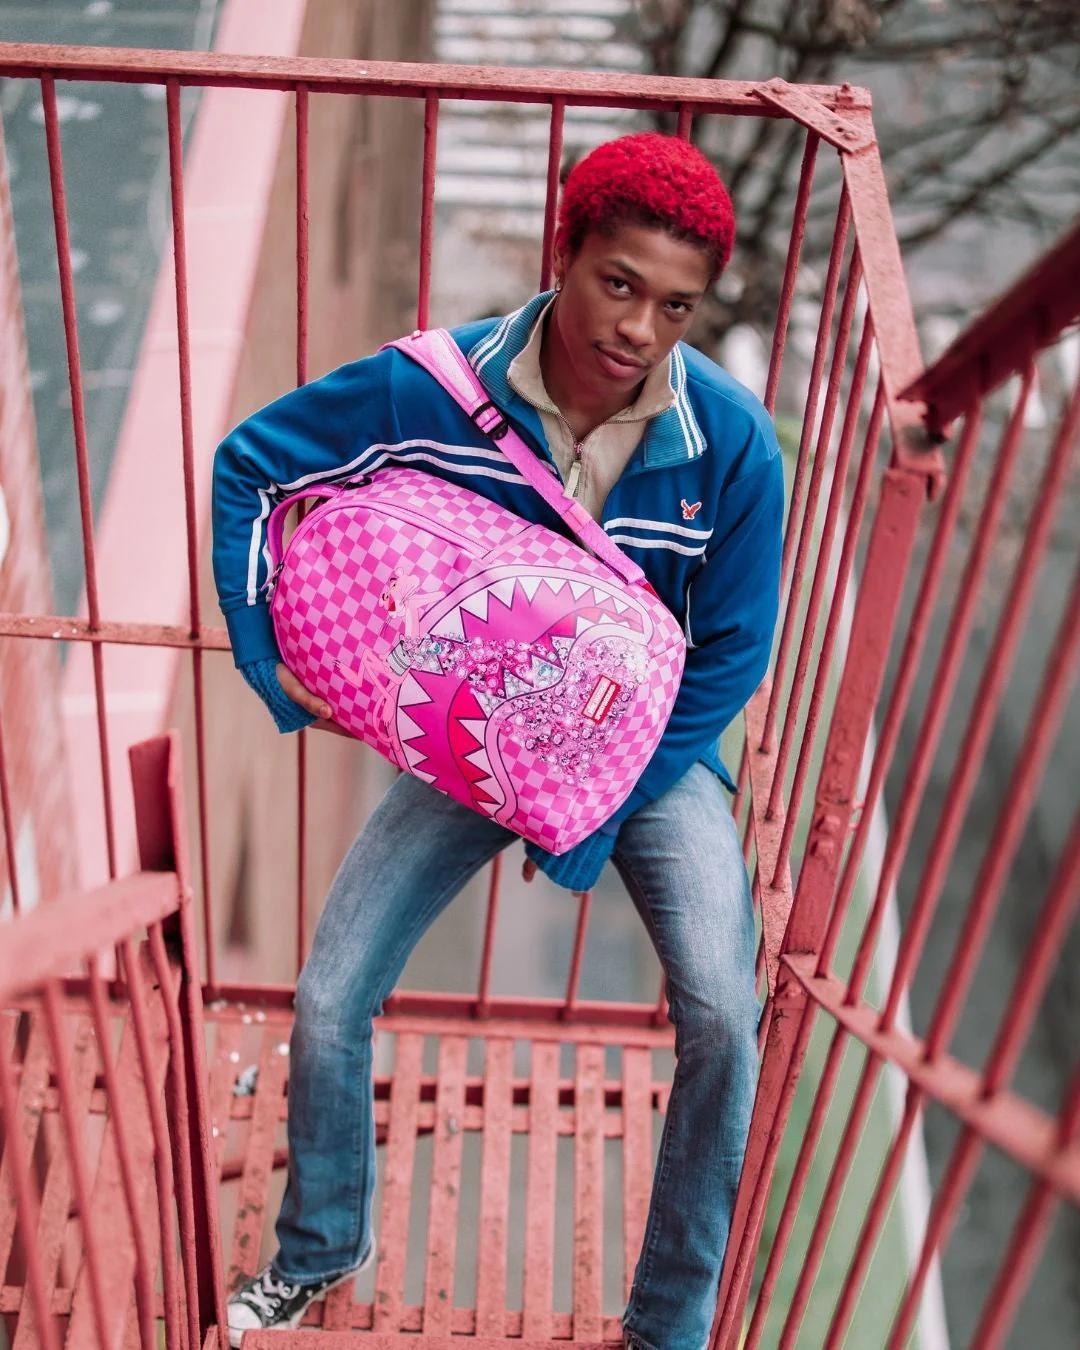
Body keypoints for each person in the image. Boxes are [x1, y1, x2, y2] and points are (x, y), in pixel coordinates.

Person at [212, 131, 784, 1350]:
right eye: (618, 283)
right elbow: (250, 464)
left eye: (675, 307)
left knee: (723, 1016)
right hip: (481, 734)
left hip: (648, 753)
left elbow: (733, 651)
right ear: (563, 254)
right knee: (328, 998)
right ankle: (323, 1244)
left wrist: (601, 806)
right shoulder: (433, 385)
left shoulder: (732, 442)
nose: (637, 329)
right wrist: (263, 655)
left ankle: (669, 1324)